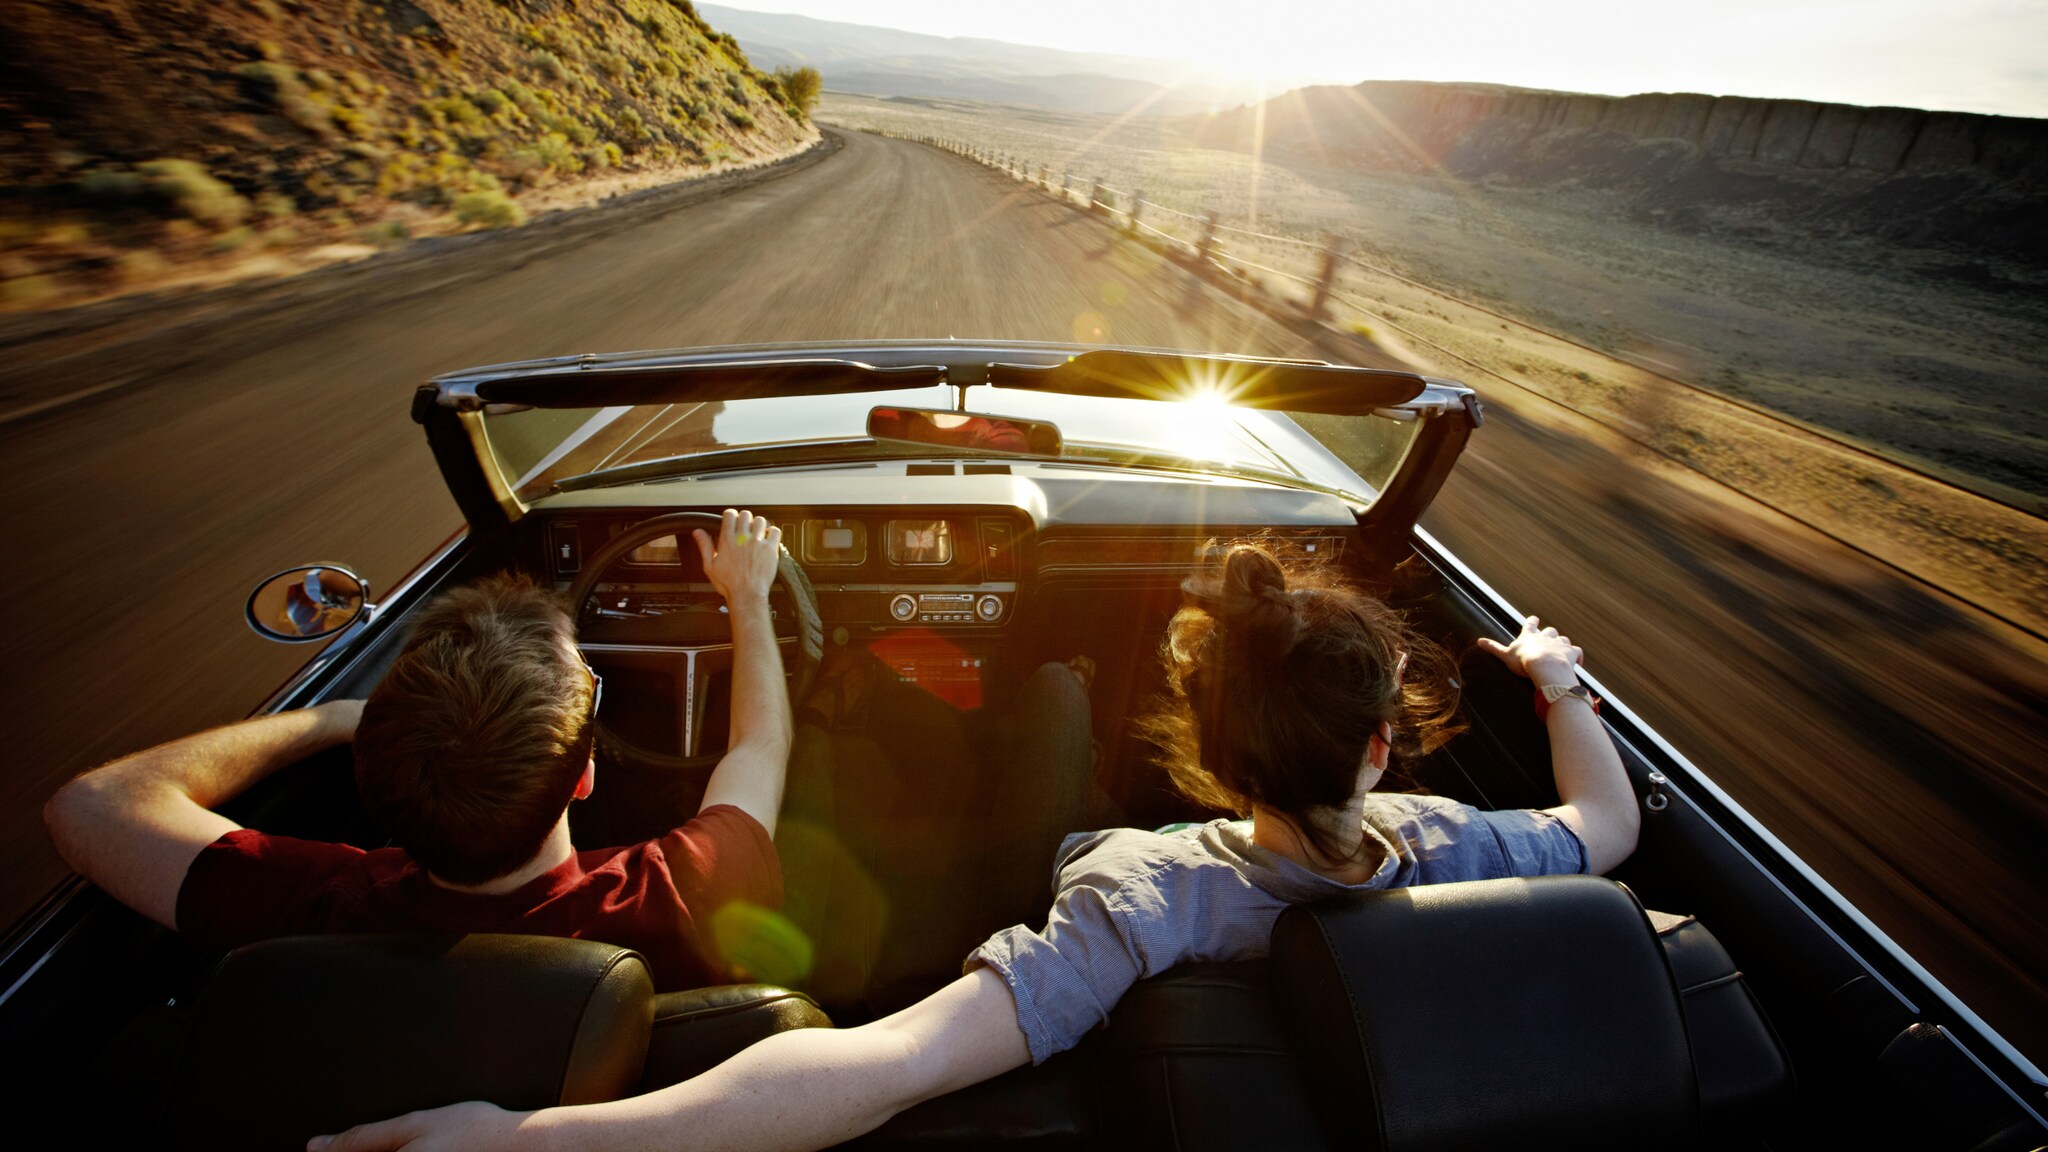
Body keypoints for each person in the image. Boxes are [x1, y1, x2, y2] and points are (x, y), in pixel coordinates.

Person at [313, 541, 1642, 1152]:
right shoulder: (1460, 844)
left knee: (1051, 694)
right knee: (1048, 689)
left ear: (1201, 746)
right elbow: (1609, 827)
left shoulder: (1143, 892)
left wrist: (536, 1141)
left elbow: (881, 1060)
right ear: (1379, 745)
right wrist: (1559, 686)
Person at [45, 509, 792, 992]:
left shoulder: (314, 910)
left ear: (375, 773)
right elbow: (761, 744)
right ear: (586, 776)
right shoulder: (684, 893)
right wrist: (748, 599)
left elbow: (88, 805)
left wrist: (333, 718)